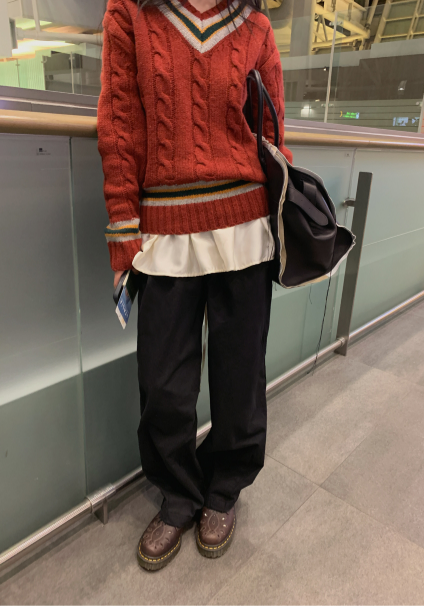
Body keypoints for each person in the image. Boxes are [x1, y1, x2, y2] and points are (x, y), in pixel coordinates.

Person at [98, 0, 293, 571]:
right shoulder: (129, 13)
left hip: (246, 226)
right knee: (162, 384)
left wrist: (281, 220)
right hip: (164, 229)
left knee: (240, 377)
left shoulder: (255, 24)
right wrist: (122, 228)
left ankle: (224, 489)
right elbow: (119, 126)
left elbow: (273, 129)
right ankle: (179, 494)